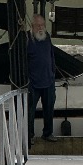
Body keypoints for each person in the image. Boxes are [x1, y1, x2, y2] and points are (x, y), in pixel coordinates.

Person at [27, 14, 57, 144]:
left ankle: (48, 133)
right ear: (32, 26)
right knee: (30, 111)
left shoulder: (47, 37)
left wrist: (53, 73)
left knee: (49, 109)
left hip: (48, 80)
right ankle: (30, 135)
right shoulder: (27, 39)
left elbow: (51, 56)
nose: (40, 28)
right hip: (33, 82)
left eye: (42, 25)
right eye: (38, 25)